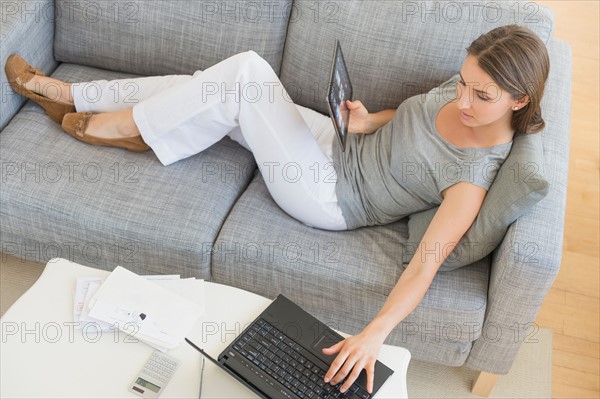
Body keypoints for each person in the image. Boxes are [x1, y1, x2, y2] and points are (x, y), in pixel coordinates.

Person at [5, 24, 549, 394]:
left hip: (329, 191)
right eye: (464, 83)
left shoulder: (473, 178)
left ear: (518, 100)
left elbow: (427, 261)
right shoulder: (465, 89)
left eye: (482, 97)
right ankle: (77, 94)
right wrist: (364, 121)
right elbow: (412, 117)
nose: (462, 101)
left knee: (244, 73)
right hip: (336, 143)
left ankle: (120, 126)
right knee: (209, 88)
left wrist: (375, 333)